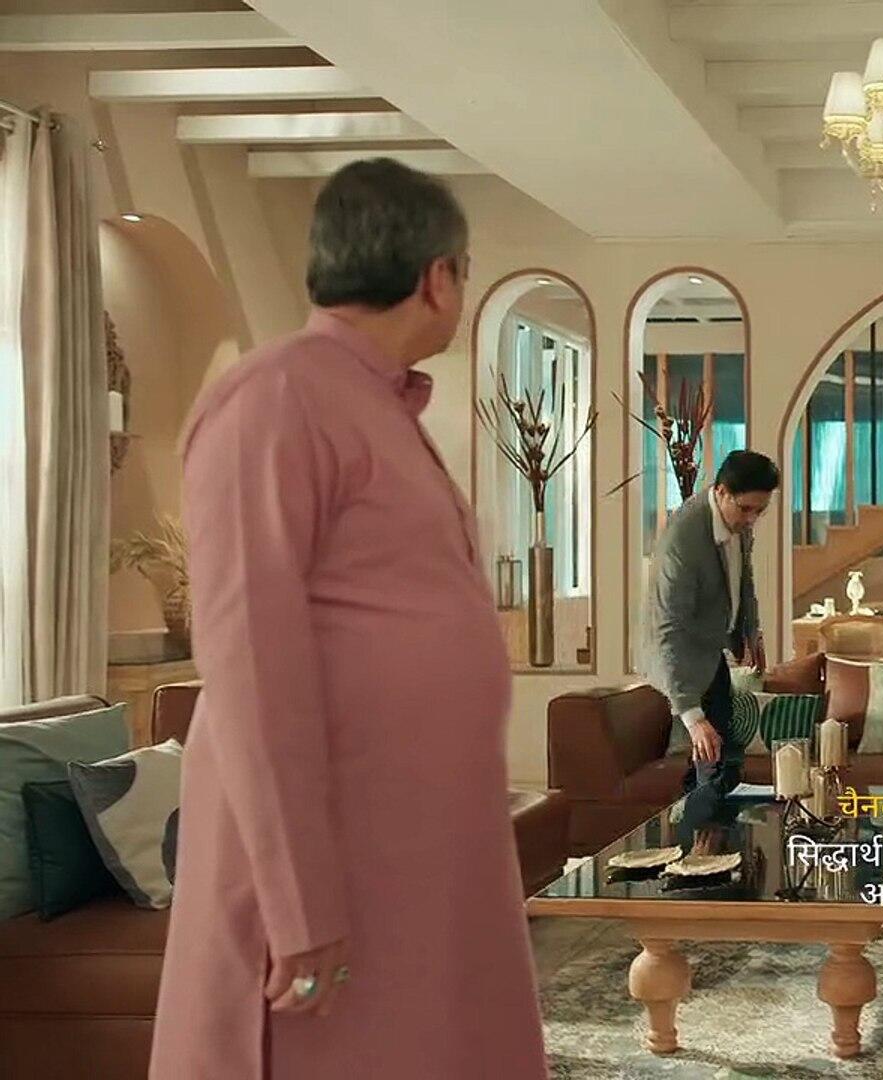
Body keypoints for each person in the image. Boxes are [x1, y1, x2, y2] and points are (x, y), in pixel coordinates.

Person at [150, 159, 546, 1077]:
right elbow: (249, 663)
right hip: (331, 853)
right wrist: (298, 904)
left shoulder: (373, 402)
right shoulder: (273, 397)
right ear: (438, 277)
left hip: (410, 848)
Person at [638, 449, 778, 799]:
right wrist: (692, 715)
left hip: (710, 654)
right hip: (680, 664)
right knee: (708, 770)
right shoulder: (683, 540)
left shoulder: (738, 522)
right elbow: (668, 629)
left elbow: (743, 579)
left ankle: (720, 826)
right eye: (746, 509)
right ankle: (696, 830)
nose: (752, 519)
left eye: (760, 511)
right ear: (721, 492)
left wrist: (751, 632)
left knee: (726, 763)